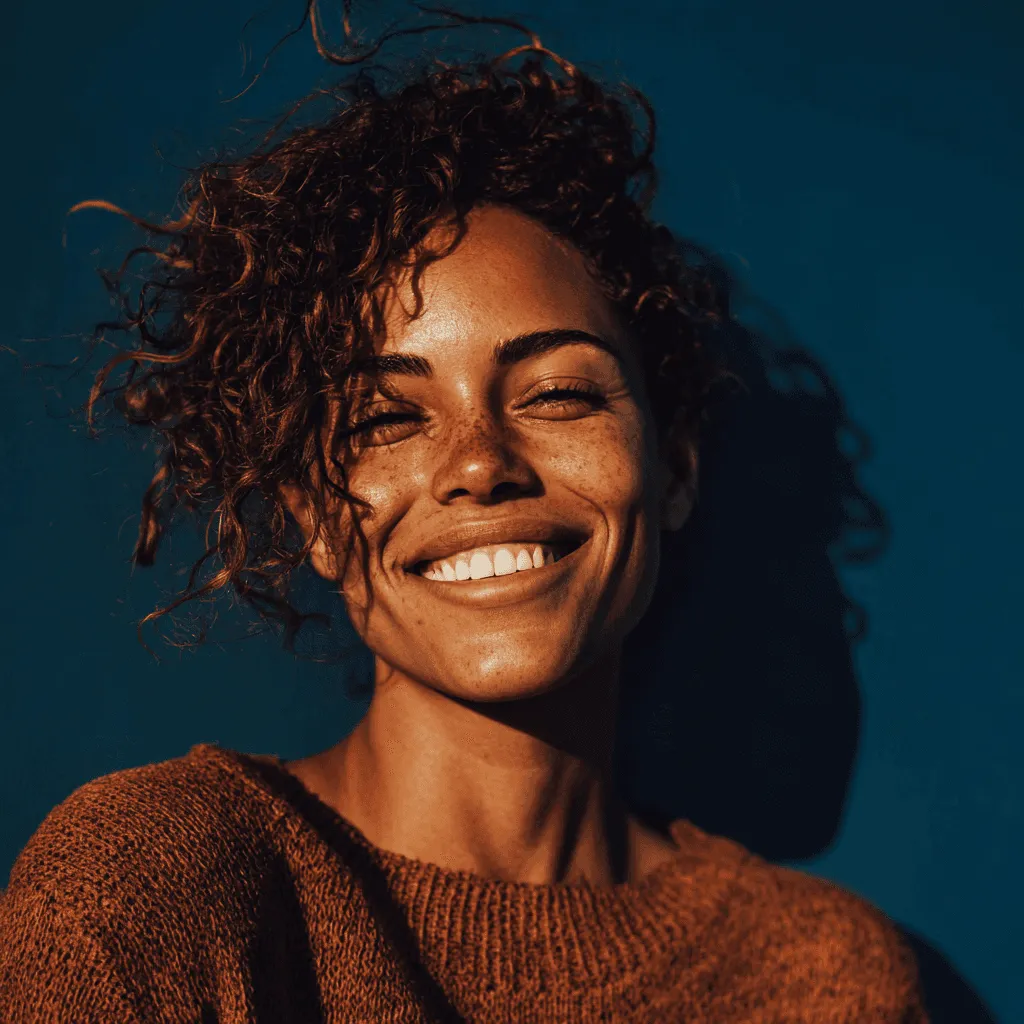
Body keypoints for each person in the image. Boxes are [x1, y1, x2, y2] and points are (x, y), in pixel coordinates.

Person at [0, 4, 928, 1020]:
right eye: (386, 417)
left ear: (673, 471)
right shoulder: (157, 886)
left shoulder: (823, 977)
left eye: (557, 394)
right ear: (312, 512)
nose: (479, 464)